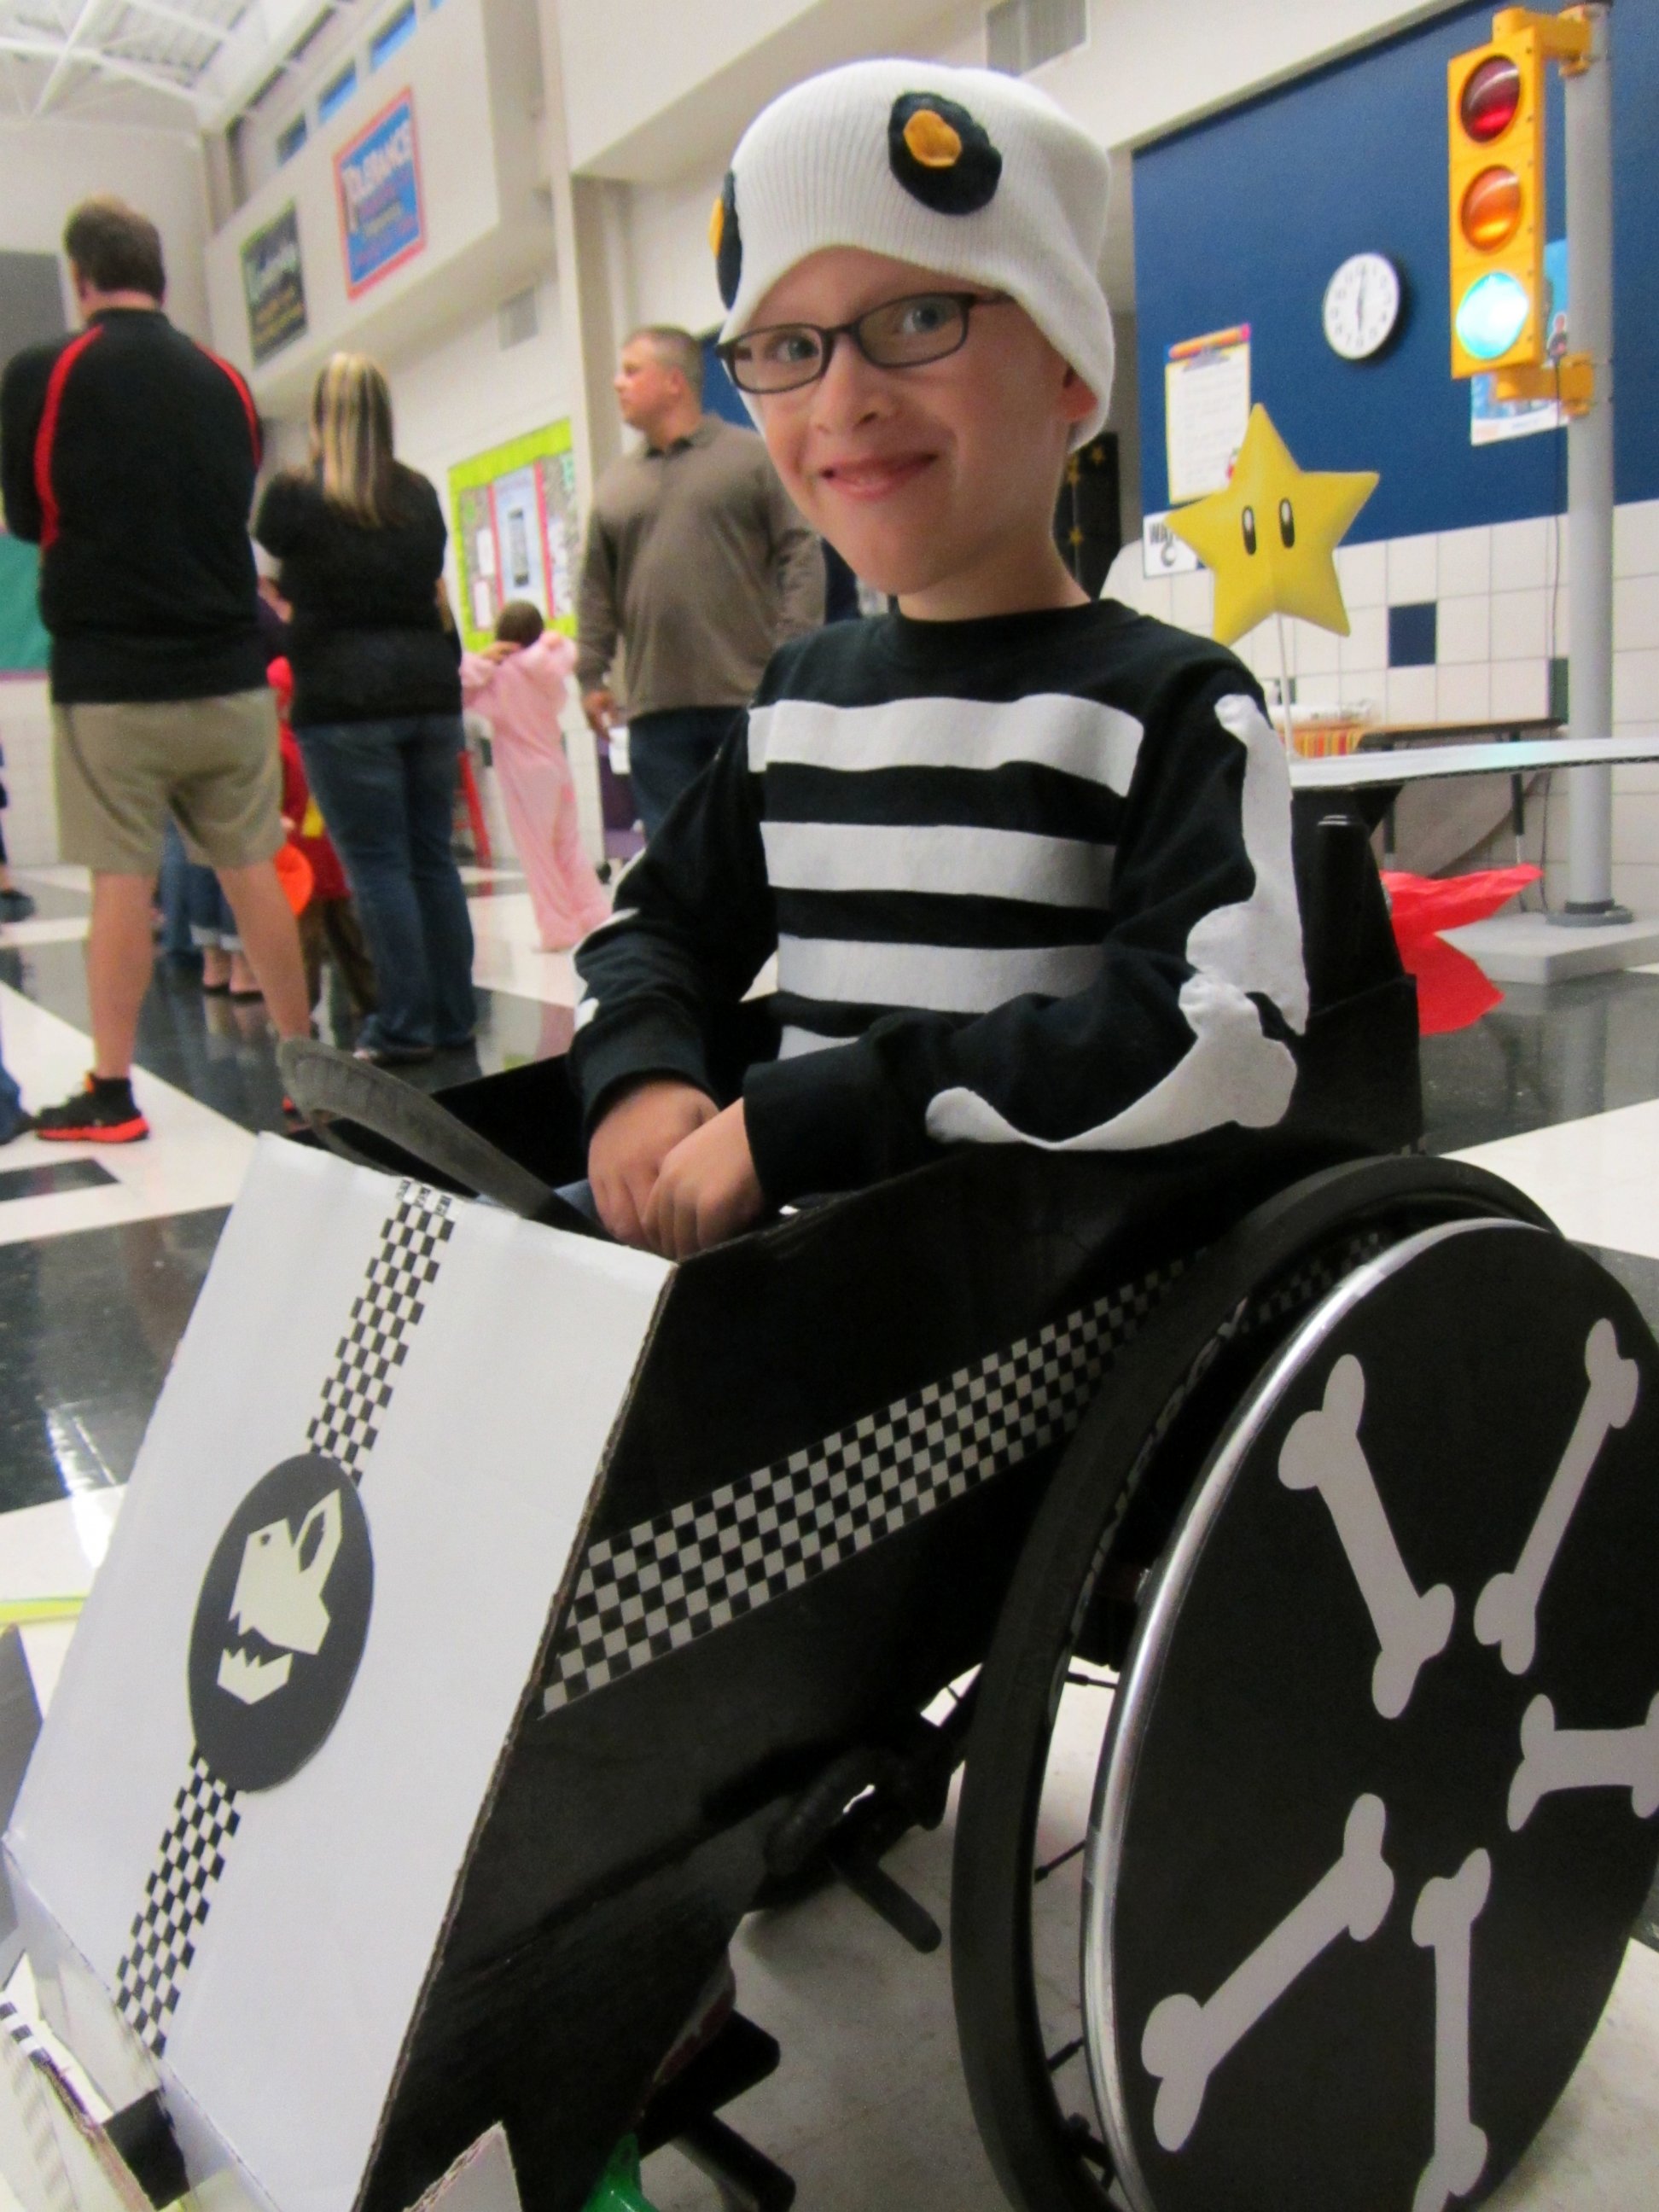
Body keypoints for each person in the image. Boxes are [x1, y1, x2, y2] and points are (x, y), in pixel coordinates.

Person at [571, 59, 1307, 1260]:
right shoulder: (796, 701)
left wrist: (807, 1119)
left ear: (1068, 360)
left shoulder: (1171, 707)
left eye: (919, 319)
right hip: (794, 1292)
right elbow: (649, 927)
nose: (844, 398)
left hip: (1020, 1327)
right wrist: (640, 1073)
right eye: (786, 346)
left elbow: (1218, 1034)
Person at [0, 196, 311, 1141]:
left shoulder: (43, 373)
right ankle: (306, 1078)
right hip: (229, 668)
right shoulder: (224, 379)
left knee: (121, 885)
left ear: (80, 276)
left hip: (112, 679)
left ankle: (111, 1092)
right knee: (254, 868)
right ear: (161, 273)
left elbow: (25, 514)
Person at [254, 353, 474, 1066]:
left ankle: (404, 1025)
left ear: (319, 414)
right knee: (433, 861)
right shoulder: (418, 496)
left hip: (343, 703)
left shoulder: (294, 496)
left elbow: (272, 548)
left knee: (378, 867)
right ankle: (454, 1016)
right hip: (429, 695)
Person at [576, 324, 824, 839]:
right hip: (654, 710)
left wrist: (793, 653)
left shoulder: (749, 458)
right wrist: (590, 675)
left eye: (631, 371)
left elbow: (801, 552)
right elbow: (597, 588)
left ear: (673, 382)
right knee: (675, 862)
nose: (617, 384)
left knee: (756, 850)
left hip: (745, 698)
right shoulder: (615, 485)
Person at [461, 601, 610, 952]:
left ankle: (558, 929)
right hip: (556, 765)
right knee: (569, 845)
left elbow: (462, 686)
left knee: (537, 854)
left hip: (523, 775)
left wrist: (485, 656)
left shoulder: (499, 674)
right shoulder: (548, 669)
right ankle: (593, 915)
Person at [268, 654, 376, 1025]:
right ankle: (300, 1011)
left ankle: (368, 999)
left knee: (345, 935)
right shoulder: (282, 745)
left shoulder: (302, 741)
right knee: (308, 942)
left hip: (325, 856)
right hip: (302, 861)